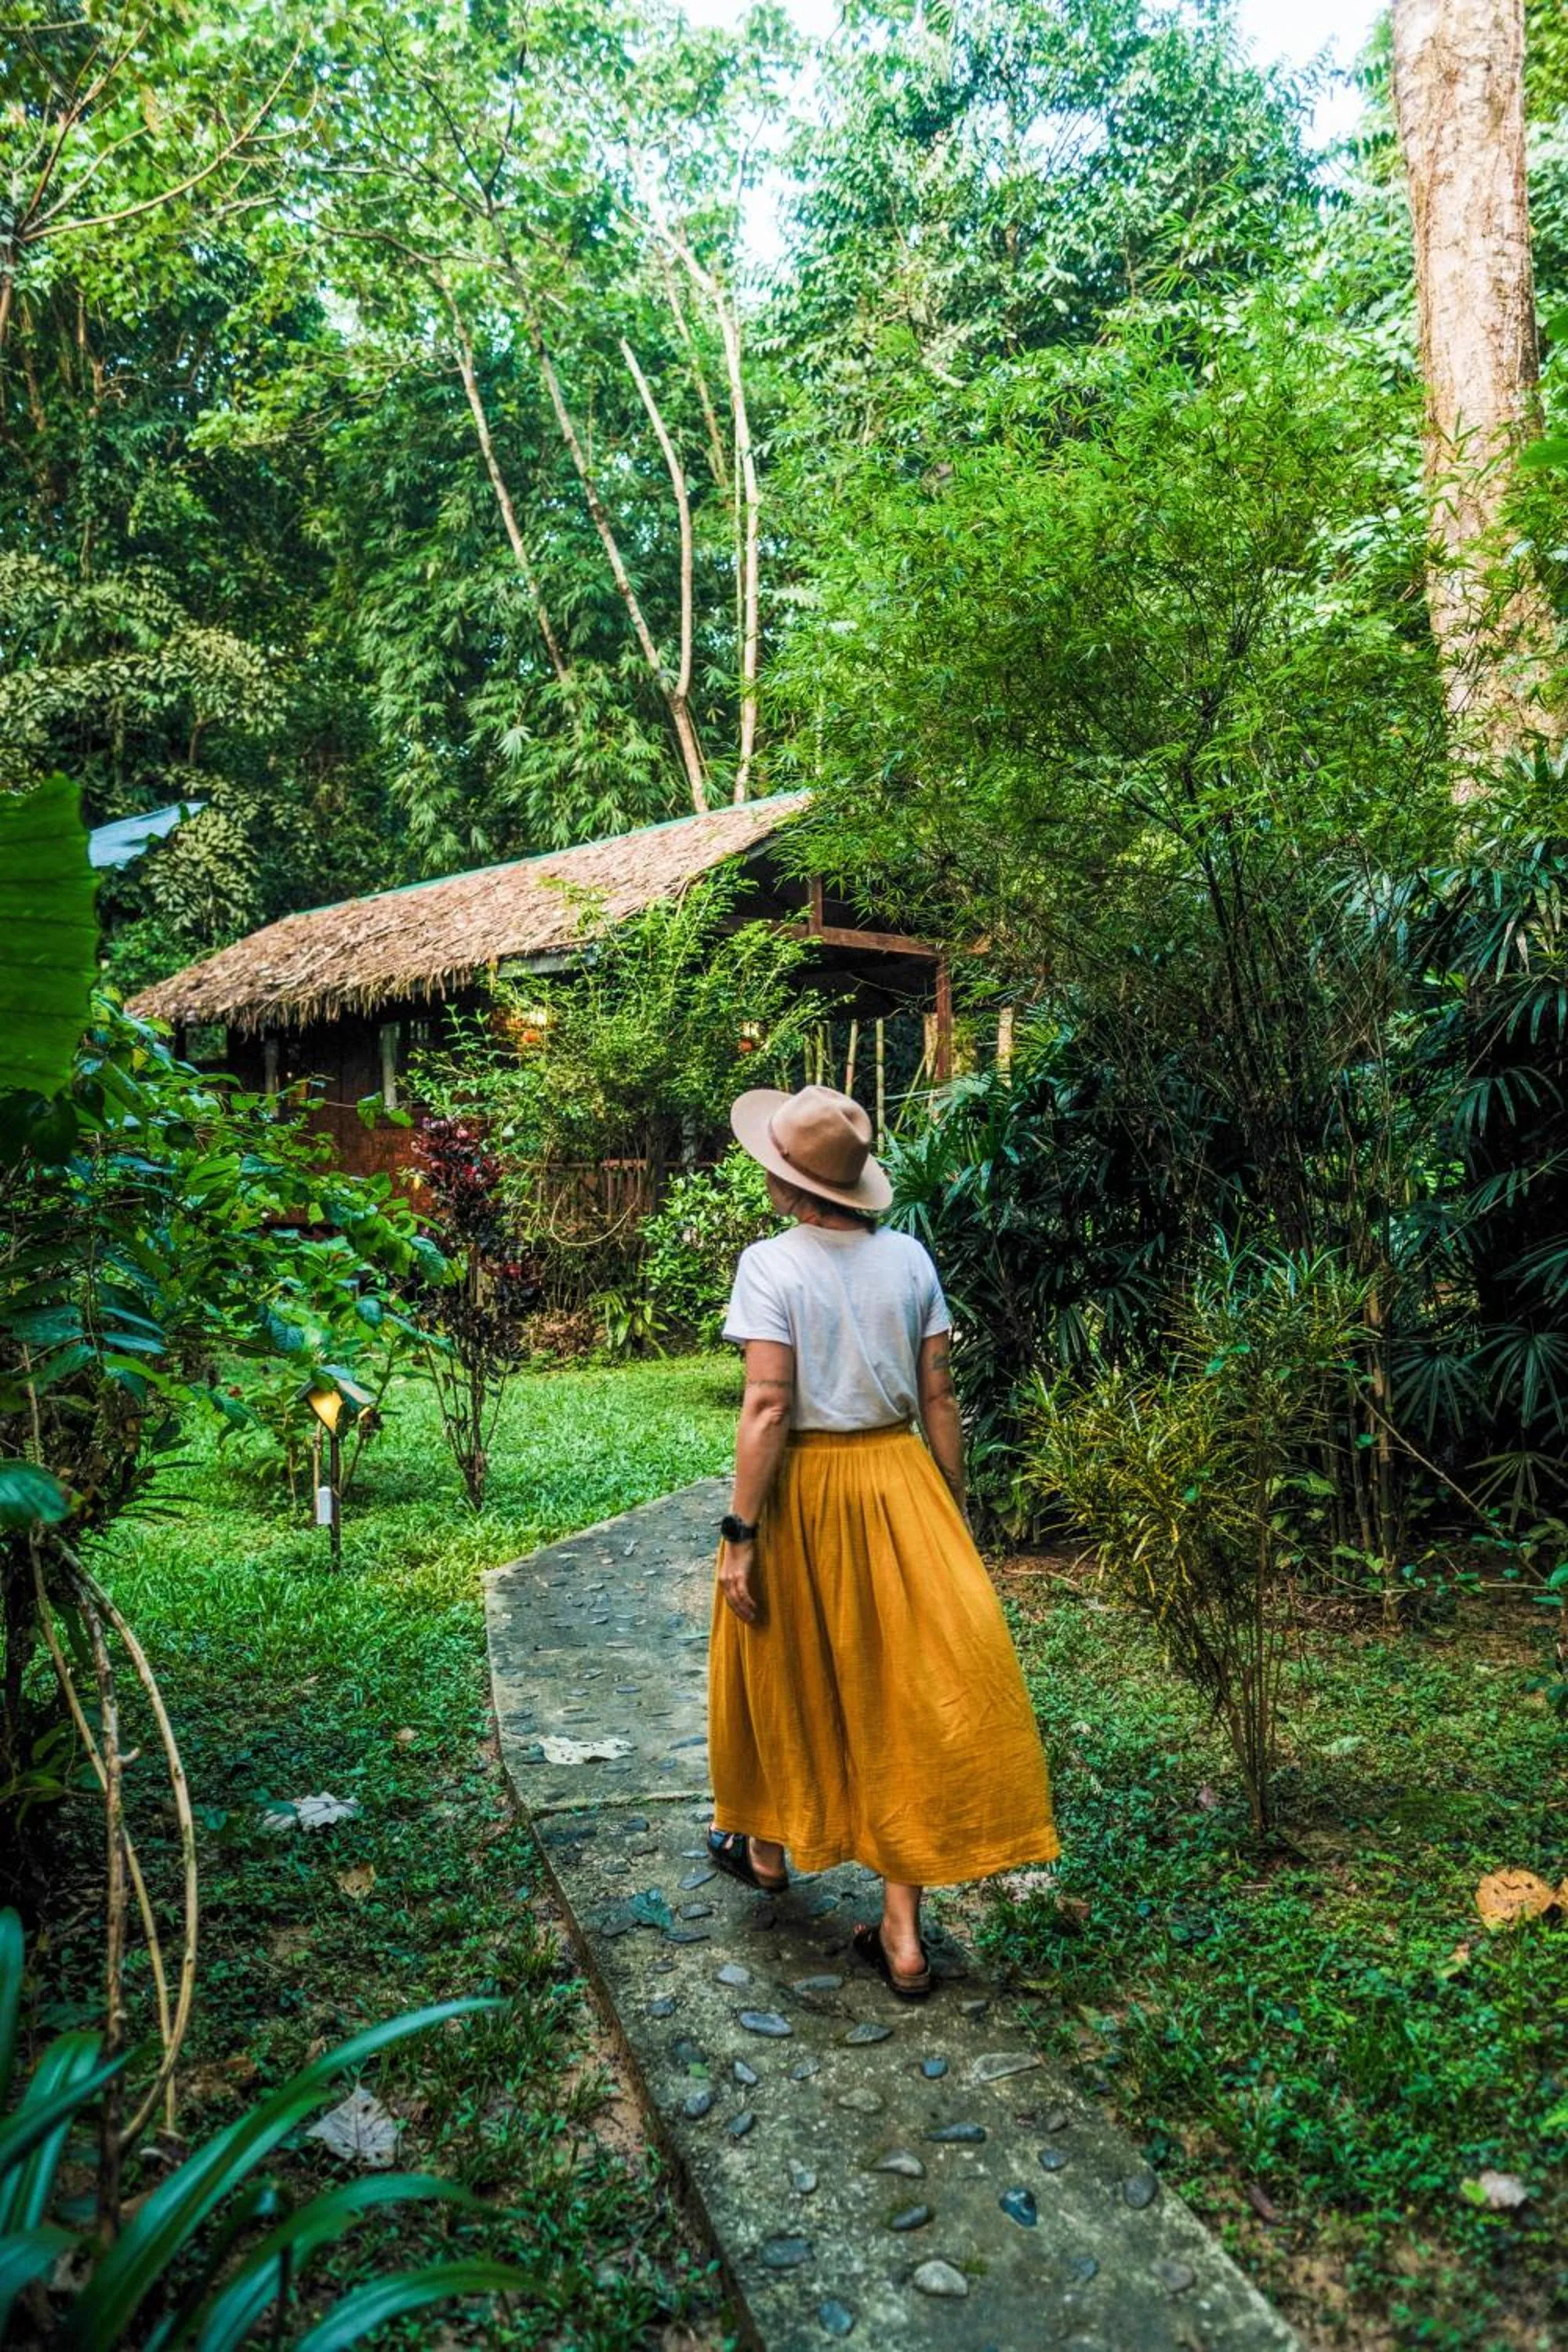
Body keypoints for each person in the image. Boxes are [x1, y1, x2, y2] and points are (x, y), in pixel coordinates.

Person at [706, 1081, 1059, 1999]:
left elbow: (768, 1406)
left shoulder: (769, 1265)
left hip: (805, 1490)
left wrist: (739, 1530)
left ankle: (768, 1847)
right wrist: (949, 1506)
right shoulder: (909, 1261)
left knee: (777, 1658)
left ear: (789, 1184)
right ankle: (902, 1935)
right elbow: (939, 1397)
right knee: (901, 1691)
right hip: (900, 1479)